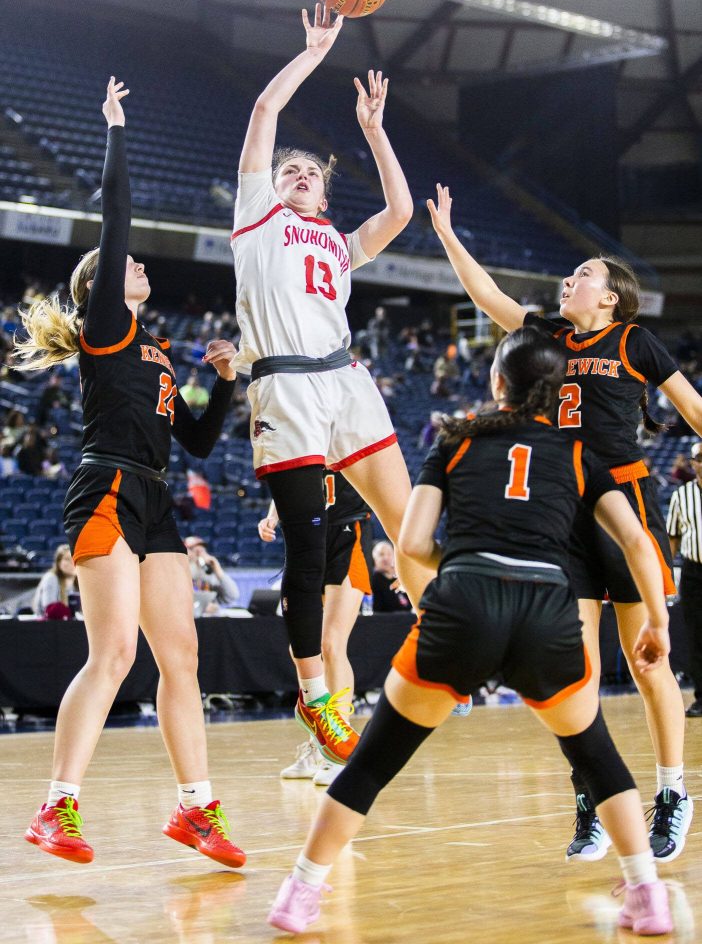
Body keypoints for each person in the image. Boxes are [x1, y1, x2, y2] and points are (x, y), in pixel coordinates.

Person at [268, 327, 673, 937]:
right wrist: (658, 620)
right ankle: (647, 894)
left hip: (465, 603)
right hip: (547, 612)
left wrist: (463, 563)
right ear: (560, 391)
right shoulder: (579, 456)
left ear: (496, 383)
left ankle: (300, 892)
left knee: (374, 762)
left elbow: (409, 542)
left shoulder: (454, 443)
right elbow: (639, 542)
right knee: (596, 756)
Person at [427, 183, 700, 862]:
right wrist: (447, 234)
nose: (569, 281)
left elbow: (694, 409)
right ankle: (595, 795)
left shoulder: (636, 340)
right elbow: (487, 296)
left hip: (625, 506)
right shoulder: (545, 334)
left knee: (649, 666)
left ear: (609, 297)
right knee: (569, 668)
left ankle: (673, 793)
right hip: (562, 508)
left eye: (583, 276)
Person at [12, 78, 244, 868]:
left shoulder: (158, 354)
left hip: (156, 500)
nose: (136, 263)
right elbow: (115, 218)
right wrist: (115, 127)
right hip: (106, 487)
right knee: (112, 655)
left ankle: (195, 810)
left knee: (182, 657)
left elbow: (205, 442)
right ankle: (55, 808)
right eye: (123, 264)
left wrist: (226, 379)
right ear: (100, 288)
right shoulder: (107, 324)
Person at [231, 5, 432, 766]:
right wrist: (314, 54)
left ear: (322, 196)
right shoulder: (255, 218)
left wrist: (375, 130)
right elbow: (264, 109)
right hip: (285, 389)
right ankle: (318, 697)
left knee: (408, 519)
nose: (298, 174)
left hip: (345, 381)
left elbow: (403, 211)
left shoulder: (341, 244)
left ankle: (450, 622)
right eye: (290, 169)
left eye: (310, 173)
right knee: (308, 555)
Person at [259, 468, 374, 786]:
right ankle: (316, 745)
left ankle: (338, 746)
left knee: (331, 644)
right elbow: (288, 480)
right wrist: (272, 516)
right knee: (304, 648)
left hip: (348, 531)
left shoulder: (352, 426)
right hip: (306, 535)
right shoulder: (301, 432)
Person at [667, 441, 702, 718]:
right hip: (694, 571)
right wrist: (667, 571)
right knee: (696, 636)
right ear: (692, 463)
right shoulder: (682, 495)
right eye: (699, 458)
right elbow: (673, 537)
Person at [184, 535, 240, 612]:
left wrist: (217, 569)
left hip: (209, 619)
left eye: (202, 548)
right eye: (193, 549)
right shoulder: (178, 572)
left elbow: (232, 595)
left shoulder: (211, 574)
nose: (199, 552)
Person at [32, 544, 77, 618]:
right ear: (58, 562)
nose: (72, 562)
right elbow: (50, 610)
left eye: (74, 558)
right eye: (67, 559)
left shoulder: (78, 581)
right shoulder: (51, 578)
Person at [371, 540, 411, 613]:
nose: (386, 558)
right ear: (374, 558)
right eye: (381, 554)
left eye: (389, 554)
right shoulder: (372, 581)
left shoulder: (401, 580)